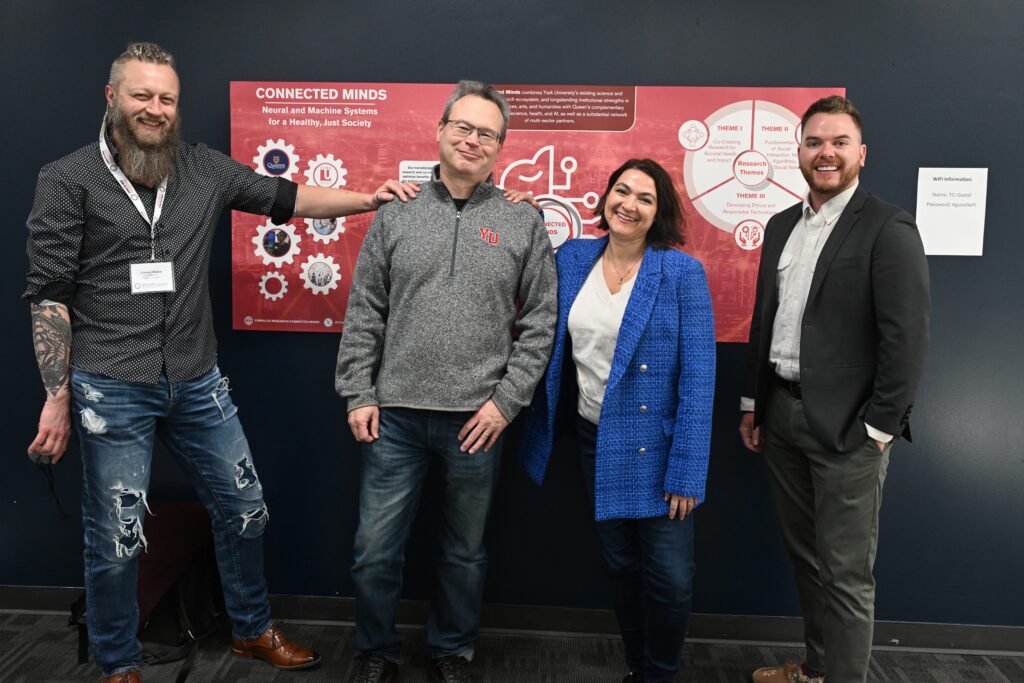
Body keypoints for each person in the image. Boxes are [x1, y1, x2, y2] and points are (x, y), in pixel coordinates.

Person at [23, 42, 418, 683]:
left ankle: (251, 630)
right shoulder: (68, 179)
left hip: (196, 378)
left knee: (245, 508)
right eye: (142, 95)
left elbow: (287, 196)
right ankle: (119, 664)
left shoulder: (203, 170)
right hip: (109, 384)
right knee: (117, 536)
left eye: (167, 98)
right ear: (112, 97)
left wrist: (370, 200)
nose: (155, 108)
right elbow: (49, 294)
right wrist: (57, 394)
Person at [335, 80, 557, 683]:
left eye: (487, 133)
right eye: (463, 127)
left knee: (464, 553)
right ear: (439, 130)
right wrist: (358, 391)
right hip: (394, 416)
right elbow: (365, 310)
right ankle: (375, 651)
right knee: (374, 551)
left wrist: (506, 404)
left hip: (476, 421)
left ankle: (452, 649)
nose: (472, 140)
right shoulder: (398, 213)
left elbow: (541, 322)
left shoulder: (521, 222)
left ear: (501, 146)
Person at [739, 96, 929, 683]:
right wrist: (753, 402)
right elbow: (765, 319)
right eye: (815, 142)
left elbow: (907, 336)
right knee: (808, 562)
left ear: (861, 154)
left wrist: (878, 427)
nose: (826, 153)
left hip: (849, 429)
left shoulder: (887, 226)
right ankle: (817, 671)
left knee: (845, 576)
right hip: (782, 415)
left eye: (839, 142)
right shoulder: (780, 227)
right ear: (798, 151)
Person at [519, 158, 717, 683]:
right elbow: (524, 277)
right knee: (622, 567)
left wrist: (688, 471)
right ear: (605, 198)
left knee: (670, 580)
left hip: (661, 445)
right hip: (594, 439)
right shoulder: (573, 256)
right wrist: (515, 211)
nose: (629, 204)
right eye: (622, 191)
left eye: (645, 198)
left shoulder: (680, 272)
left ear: (660, 212)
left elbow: (700, 378)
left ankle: (661, 675)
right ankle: (637, 670)